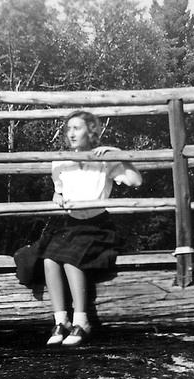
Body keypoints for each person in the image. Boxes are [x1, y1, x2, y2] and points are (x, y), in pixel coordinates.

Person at [38, 110, 142, 346]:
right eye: (68, 129)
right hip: (71, 224)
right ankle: (60, 320)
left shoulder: (104, 158)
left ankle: (81, 320)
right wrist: (57, 196)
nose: (71, 133)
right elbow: (60, 191)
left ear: (90, 131)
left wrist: (118, 154)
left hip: (98, 226)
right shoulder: (61, 160)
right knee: (48, 259)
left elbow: (136, 181)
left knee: (71, 258)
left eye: (77, 128)